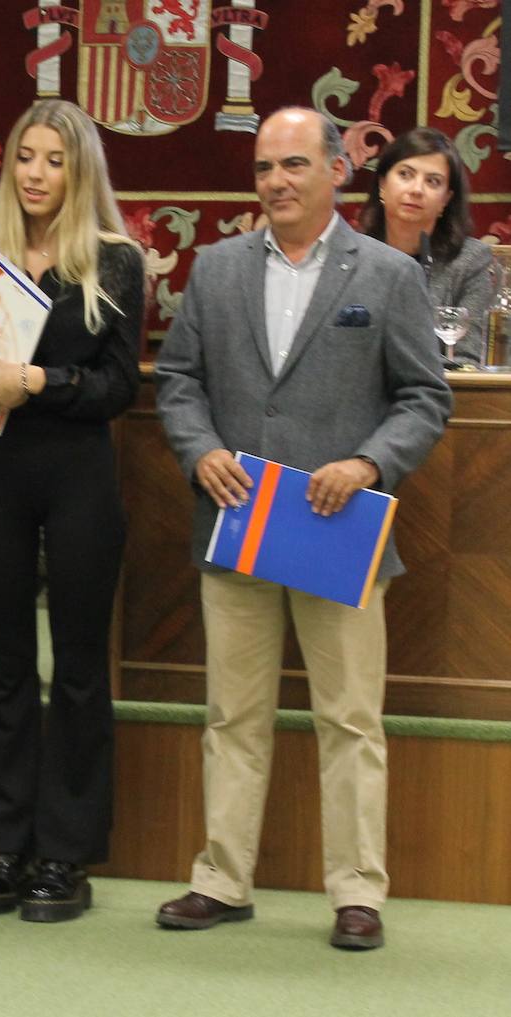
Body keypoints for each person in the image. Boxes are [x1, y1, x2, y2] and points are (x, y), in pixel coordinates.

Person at [154, 107, 451, 950]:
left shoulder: (388, 274)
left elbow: (426, 397)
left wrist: (367, 463)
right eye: (262, 169)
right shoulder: (214, 269)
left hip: (338, 526)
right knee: (232, 712)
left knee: (350, 718)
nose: (276, 182)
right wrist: (200, 448)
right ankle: (221, 878)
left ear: (334, 171)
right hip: (240, 520)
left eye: (292, 165)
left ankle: (357, 892)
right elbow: (177, 379)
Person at [0, 100, 144, 922]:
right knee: (6, 665)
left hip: (80, 477)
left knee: (80, 667)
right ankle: (6, 845)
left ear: (79, 170)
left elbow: (120, 387)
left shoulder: (115, 263)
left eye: (55, 159)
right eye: (26, 156)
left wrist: (40, 381)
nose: (37, 174)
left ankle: (66, 853)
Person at [357, 125, 493, 367]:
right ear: (382, 185)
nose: (416, 190)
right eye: (405, 175)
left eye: (432, 181)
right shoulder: (353, 255)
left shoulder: (470, 261)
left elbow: (465, 359)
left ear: (445, 200)